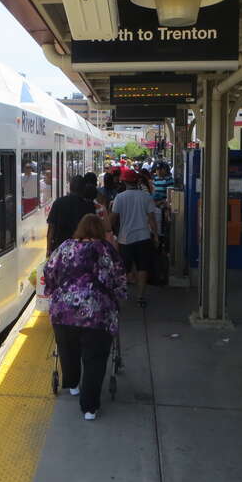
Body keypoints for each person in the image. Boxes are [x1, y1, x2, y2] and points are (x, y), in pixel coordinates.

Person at [43, 214, 128, 420]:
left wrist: (54, 290)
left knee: (68, 349)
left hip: (63, 311)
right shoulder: (105, 249)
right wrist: (119, 297)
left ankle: (72, 385)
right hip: (97, 314)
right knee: (94, 359)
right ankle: (89, 409)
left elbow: (49, 270)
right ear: (100, 230)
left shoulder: (65, 246)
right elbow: (118, 278)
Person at [110, 170, 158, 307]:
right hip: (143, 237)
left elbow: (113, 219)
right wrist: (155, 236)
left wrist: (107, 231)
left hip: (125, 238)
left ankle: (121, 295)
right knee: (143, 267)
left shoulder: (120, 197)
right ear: (137, 181)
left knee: (123, 268)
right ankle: (140, 296)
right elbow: (152, 219)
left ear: (124, 182)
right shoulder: (146, 197)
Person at [46, 175, 95, 256]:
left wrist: (48, 250)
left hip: (60, 250)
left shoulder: (58, 203)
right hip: (82, 251)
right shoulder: (89, 206)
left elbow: (51, 229)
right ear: (83, 189)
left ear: (70, 188)